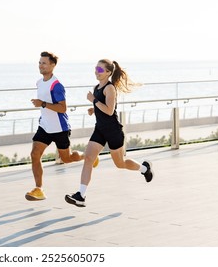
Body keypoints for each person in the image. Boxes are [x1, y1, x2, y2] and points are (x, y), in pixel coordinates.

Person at [65, 59, 154, 207]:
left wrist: (93, 101)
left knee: (120, 164)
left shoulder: (110, 88)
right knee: (88, 158)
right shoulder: (97, 88)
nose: (96, 72)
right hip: (100, 130)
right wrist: (94, 109)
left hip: (113, 131)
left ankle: (145, 168)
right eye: (95, 69)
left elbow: (109, 110)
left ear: (108, 72)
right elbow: (103, 108)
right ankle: (81, 195)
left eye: (100, 70)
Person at [25, 51, 98, 201]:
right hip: (44, 126)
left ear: (52, 65)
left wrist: (43, 104)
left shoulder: (56, 86)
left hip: (60, 128)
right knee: (34, 154)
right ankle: (39, 189)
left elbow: (62, 108)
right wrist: (42, 107)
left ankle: (88, 156)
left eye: (44, 63)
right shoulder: (39, 82)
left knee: (67, 158)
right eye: (39, 62)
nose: (41, 65)